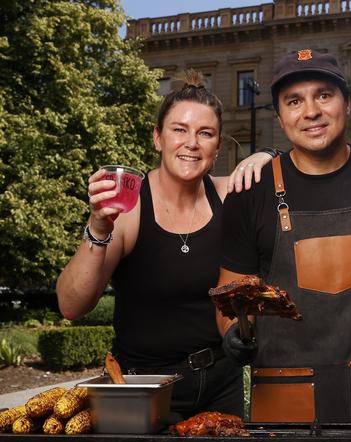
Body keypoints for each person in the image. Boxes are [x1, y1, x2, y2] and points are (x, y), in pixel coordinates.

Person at [216, 50, 351, 423]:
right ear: (281, 117)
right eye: (294, 101)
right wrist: (234, 331)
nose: (311, 111)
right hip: (282, 400)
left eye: (324, 95)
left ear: (346, 104)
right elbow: (231, 289)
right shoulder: (250, 192)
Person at [56, 70, 267, 420]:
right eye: (179, 130)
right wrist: (97, 227)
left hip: (220, 384)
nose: (192, 143)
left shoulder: (230, 195)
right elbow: (71, 305)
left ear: (218, 147)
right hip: (143, 389)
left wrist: (267, 156)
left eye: (205, 133)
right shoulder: (130, 208)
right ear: (158, 138)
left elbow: (292, 177)